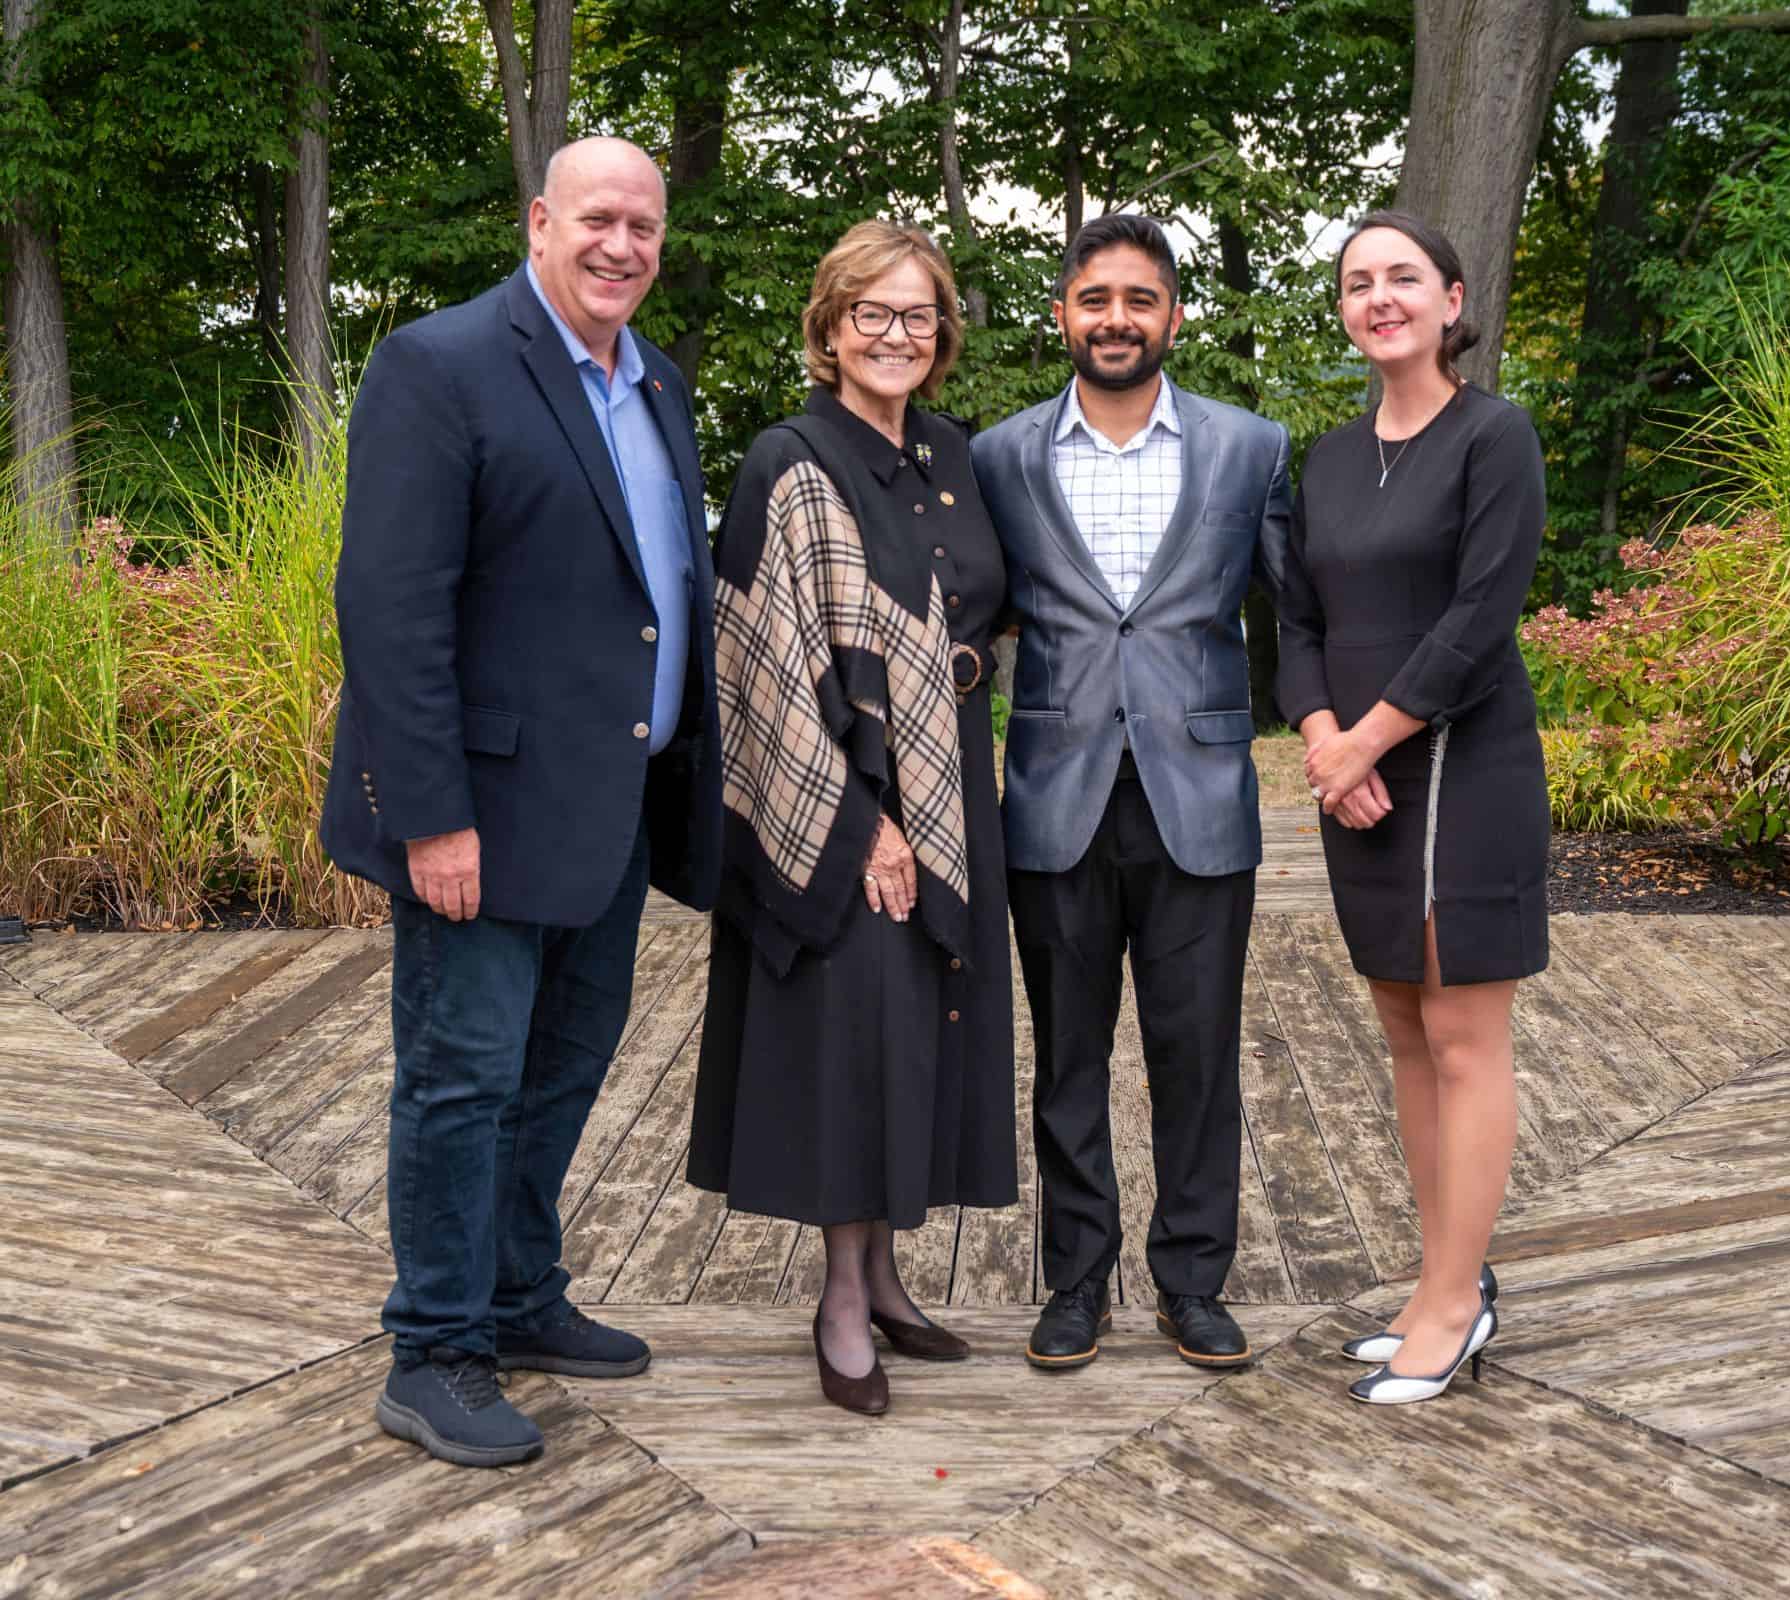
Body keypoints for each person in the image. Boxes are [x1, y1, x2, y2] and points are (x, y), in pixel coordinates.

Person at [320, 137, 721, 1467]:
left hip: (609, 803)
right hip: (478, 822)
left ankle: (517, 1295)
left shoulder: (656, 381)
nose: (623, 246)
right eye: (600, 219)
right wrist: (429, 816)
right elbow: (388, 608)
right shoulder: (441, 365)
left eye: (646, 227)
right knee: (461, 1082)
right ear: (541, 222)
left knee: (559, 1072)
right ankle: (434, 1350)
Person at [687, 221, 1016, 1416]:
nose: (895, 334)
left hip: (954, 789)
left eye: (917, 315)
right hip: (842, 806)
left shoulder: (952, 454)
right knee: (850, 1033)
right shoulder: (788, 460)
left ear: (942, 336)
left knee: (924, 1025)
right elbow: (765, 664)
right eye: (870, 314)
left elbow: (983, 609)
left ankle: (886, 1271)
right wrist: (869, 821)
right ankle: (836, 1291)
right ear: (828, 329)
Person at [972, 215, 1290, 1374]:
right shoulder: (997, 456)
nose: (1115, 318)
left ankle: (1193, 1281)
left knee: (1195, 1055)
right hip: (1052, 796)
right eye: (1093, 297)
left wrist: (1338, 732)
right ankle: (1075, 1279)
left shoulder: (1248, 448)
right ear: (1061, 313)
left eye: (1139, 298)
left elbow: (1287, 615)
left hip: (1199, 795)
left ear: (1172, 315)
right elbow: (969, 609)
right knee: (1065, 1056)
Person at [1275, 210, 1549, 1405]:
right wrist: (1325, 737)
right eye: (1355, 282)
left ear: (1450, 300)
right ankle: (1438, 1279)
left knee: (1460, 1036)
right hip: (1361, 782)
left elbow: (1480, 615)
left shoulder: (1494, 437)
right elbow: (1289, 621)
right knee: (1399, 1031)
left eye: (1401, 278)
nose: (1377, 297)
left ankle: (1455, 1299)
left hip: (1463, 767)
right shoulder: (1322, 459)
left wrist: (1371, 735)